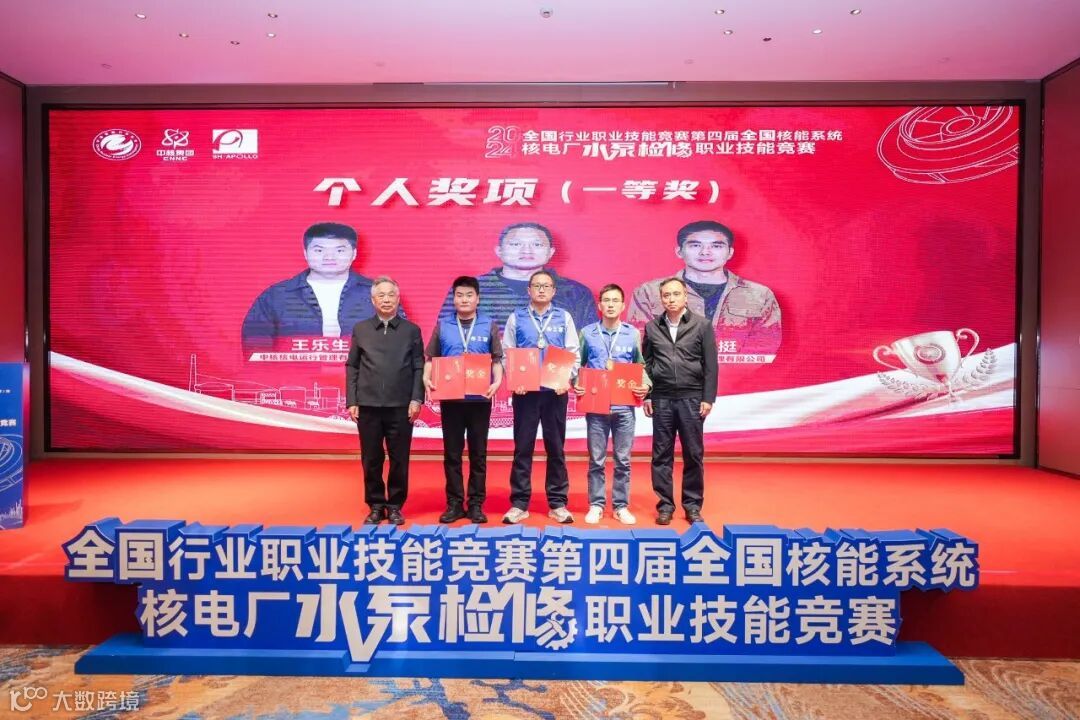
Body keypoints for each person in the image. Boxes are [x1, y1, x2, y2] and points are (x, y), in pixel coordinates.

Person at [628, 220, 781, 359]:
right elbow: (640, 343)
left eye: (716, 246)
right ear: (679, 251)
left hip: (740, 379)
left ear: (730, 252)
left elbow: (765, 347)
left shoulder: (759, 295)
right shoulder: (650, 292)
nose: (705, 252)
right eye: (695, 245)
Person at [501, 270, 580, 524]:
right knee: (522, 448)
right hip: (526, 394)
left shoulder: (564, 317)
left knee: (555, 448)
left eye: (546, 286)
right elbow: (507, 353)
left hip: (554, 393)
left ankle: (558, 503)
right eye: (537, 286)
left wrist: (566, 378)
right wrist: (515, 380)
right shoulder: (516, 317)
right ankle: (519, 503)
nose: (542, 290)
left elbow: (573, 352)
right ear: (529, 290)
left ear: (554, 291)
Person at [424, 276, 504, 524]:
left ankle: (476, 504)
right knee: (452, 454)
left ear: (477, 299)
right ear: (454, 298)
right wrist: (426, 378)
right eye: (459, 295)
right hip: (451, 399)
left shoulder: (489, 325)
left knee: (478, 454)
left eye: (469, 295)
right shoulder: (443, 325)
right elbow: (431, 359)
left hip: (480, 399)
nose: (464, 299)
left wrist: (497, 382)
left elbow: (496, 360)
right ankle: (455, 503)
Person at [242, 222, 389, 357]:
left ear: (354, 254)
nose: (329, 257)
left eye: (339, 250)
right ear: (305, 253)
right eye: (319, 250)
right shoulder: (276, 296)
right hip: (295, 376)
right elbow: (255, 348)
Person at [345, 277, 425, 526]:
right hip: (367, 406)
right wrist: (352, 400)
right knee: (371, 459)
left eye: (391, 295)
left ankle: (395, 505)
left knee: (399, 458)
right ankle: (376, 505)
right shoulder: (361, 329)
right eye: (381, 295)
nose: (387, 299)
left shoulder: (411, 331)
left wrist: (416, 398)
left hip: (401, 406)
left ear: (398, 299)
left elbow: (419, 366)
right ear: (373, 300)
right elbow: (352, 366)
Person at [642, 277, 718, 525]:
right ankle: (665, 505)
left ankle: (692, 506)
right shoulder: (652, 327)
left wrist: (707, 397)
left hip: (691, 398)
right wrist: (648, 395)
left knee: (693, 454)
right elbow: (647, 365)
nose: (671, 299)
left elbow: (711, 365)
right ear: (661, 298)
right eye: (666, 295)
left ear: (686, 296)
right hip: (662, 399)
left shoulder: (702, 325)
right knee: (661, 455)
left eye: (676, 294)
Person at [574, 284, 650, 525]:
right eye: (606, 300)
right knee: (596, 459)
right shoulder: (587, 333)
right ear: (599, 305)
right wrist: (577, 383)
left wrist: (645, 385)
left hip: (624, 408)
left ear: (623, 305)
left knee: (623, 460)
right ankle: (596, 505)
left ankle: (620, 506)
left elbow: (640, 365)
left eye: (615, 300)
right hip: (596, 406)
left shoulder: (632, 333)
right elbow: (579, 365)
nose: (610, 304)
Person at [436, 222, 598, 332]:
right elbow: (444, 335)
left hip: (553, 373)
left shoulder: (575, 292)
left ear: (551, 252)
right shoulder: (471, 288)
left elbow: (588, 342)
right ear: (499, 251)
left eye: (537, 244)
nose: (526, 250)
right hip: (482, 371)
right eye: (515, 244)